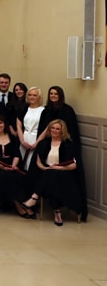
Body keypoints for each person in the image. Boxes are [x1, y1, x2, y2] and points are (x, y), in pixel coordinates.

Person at [37, 85, 88, 219]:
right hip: (48, 147)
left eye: (55, 94)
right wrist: (38, 144)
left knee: (52, 175)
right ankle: (56, 210)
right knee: (48, 174)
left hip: (64, 156)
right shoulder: (46, 111)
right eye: (51, 93)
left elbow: (72, 132)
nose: (53, 96)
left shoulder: (67, 110)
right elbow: (43, 130)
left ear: (60, 95)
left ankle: (36, 197)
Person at [23, 120, 81, 226]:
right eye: (52, 128)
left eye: (57, 129)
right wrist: (46, 169)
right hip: (48, 173)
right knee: (51, 176)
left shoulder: (68, 145)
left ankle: (34, 197)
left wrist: (59, 168)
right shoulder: (43, 143)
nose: (54, 130)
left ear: (62, 131)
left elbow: (74, 165)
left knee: (52, 174)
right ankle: (57, 212)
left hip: (64, 174)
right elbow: (39, 162)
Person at [0, 116, 28, 218]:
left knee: (19, 177)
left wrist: (13, 165)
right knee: (6, 177)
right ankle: (18, 205)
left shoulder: (12, 137)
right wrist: (2, 166)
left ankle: (22, 203)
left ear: (5, 124)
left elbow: (17, 154)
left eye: (0, 123)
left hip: (11, 165)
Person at [16, 86, 44, 170]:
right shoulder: (23, 109)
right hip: (24, 138)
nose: (32, 97)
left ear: (39, 97)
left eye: (35, 95)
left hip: (36, 139)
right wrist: (22, 141)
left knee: (33, 163)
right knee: (22, 163)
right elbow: (18, 125)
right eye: (30, 95)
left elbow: (46, 129)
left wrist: (37, 143)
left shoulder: (43, 110)